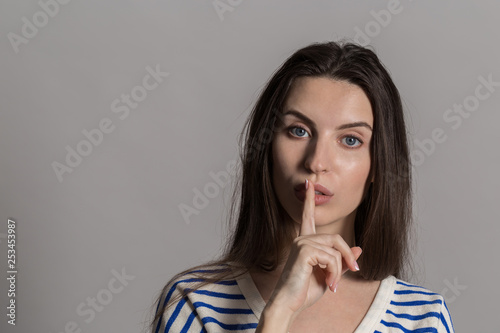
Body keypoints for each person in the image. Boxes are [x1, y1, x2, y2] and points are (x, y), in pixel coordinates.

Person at [150, 41, 455, 332]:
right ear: (267, 146)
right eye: (298, 131)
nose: (316, 161)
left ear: (379, 165)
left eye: (350, 140)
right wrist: (280, 312)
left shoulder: (423, 319)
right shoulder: (194, 304)